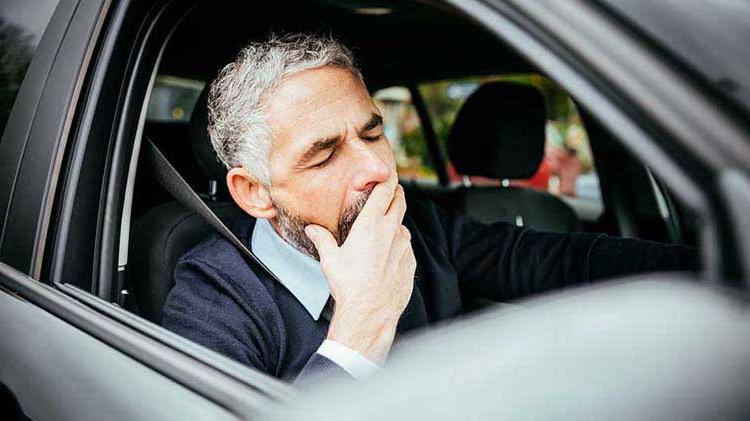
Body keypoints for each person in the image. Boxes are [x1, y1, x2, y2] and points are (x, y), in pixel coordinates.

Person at [161, 34, 697, 385]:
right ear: (256, 192)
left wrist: (712, 270)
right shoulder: (214, 296)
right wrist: (361, 327)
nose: (376, 168)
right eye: (323, 155)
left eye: (374, 133)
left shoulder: (419, 227)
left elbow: (558, 261)